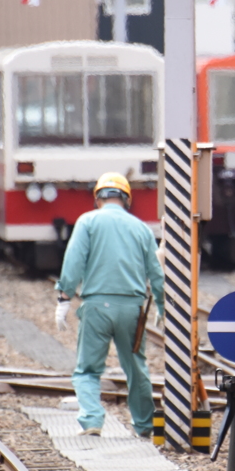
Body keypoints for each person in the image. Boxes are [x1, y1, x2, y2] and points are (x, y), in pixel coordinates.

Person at [55, 173, 164, 437]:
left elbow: (73, 263)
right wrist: (161, 305)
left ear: (97, 198)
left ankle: (92, 419)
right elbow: (156, 272)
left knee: (87, 370)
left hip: (96, 306)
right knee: (136, 367)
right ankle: (144, 425)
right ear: (126, 198)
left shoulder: (87, 222)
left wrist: (64, 298)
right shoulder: (141, 228)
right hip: (132, 308)